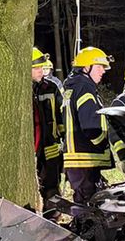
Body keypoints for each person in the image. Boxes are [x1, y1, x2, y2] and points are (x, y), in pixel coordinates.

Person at [62, 46, 113, 204]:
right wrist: (102, 144)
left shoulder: (72, 87)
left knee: (84, 200)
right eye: (99, 67)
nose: (103, 71)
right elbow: (90, 125)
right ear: (86, 67)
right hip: (86, 156)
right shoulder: (85, 88)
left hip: (76, 156)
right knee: (87, 204)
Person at [32, 48, 64, 208]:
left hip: (50, 144)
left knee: (51, 181)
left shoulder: (51, 87)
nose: (41, 71)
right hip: (31, 147)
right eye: (37, 68)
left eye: (42, 67)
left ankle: (52, 215)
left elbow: (61, 115)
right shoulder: (22, 90)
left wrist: (63, 137)